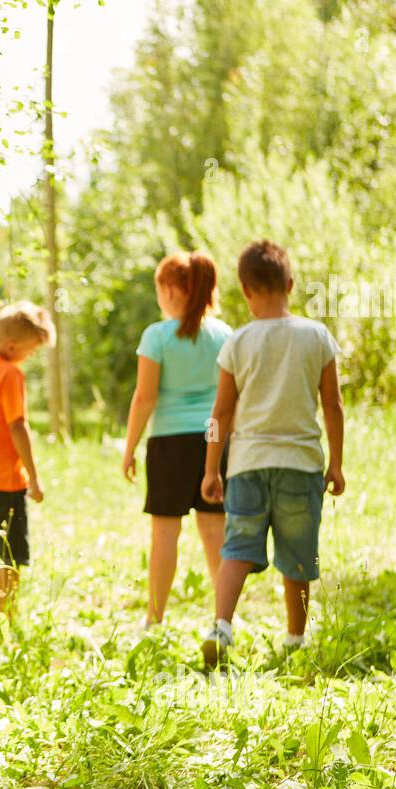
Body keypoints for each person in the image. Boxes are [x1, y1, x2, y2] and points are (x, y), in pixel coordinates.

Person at [200, 239, 346, 667]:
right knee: (298, 554)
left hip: (246, 465)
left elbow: (220, 414)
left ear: (245, 291)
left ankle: (221, 627)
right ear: (291, 284)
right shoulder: (316, 336)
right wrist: (336, 462)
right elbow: (333, 405)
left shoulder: (238, 343)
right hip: (301, 465)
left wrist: (212, 468)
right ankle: (296, 639)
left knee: (237, 548)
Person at [122, 252, 232, 625]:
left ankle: (155, 620)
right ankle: (223, 621)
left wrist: (130, 447)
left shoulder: (157, 336)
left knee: (165, 534)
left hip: (168, 444)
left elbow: (144, 397)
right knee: (215, 532)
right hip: (214, 440)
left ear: (169, 290)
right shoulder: (225, 334)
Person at [0, 301, 53, 639]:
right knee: (12, 559)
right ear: (12, 346)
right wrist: (33, 476)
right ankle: (10, 620)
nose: (29, 358)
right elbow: (17, 425)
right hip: (5, 480)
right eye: (31, 351)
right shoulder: (9, 373)